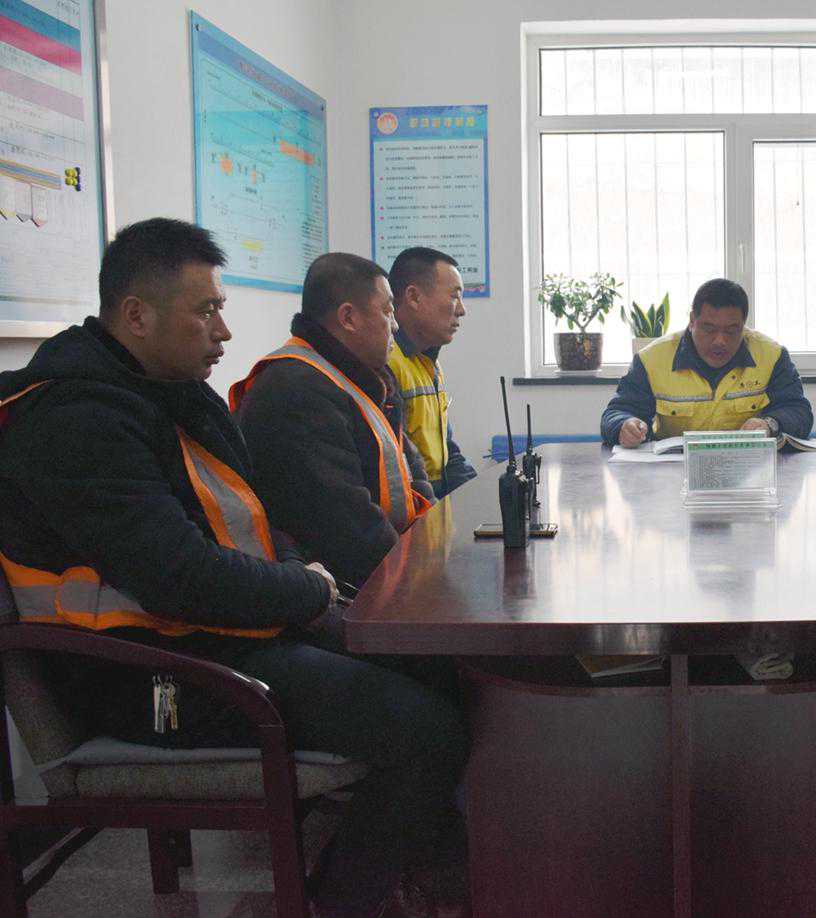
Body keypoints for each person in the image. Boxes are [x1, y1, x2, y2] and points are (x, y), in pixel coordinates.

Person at [0, 219, 467, 917]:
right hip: (147, 677)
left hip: (215, 638)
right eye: (206, 311)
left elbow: (245, 526)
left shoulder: (164, 393)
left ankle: (424, 870)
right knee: (424, 729)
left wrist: (301, 584)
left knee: (441, 669)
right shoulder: (75, 421)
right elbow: (177, 575)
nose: (224, 331)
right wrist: (304, 590)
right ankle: (339, 902)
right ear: (136, 316)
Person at [232, 253, 434, 591]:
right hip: (336, 588)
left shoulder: (364, 377)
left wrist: (433, 541)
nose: (395, 325)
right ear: (348, 318)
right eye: (387, 311)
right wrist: (414, 579)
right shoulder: (296, 389)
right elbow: (349, 528)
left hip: (384, 568)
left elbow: (412, 470)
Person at [600, 277, 813, 445]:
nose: (720, 341)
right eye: (709, 329)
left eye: (731, 331)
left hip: (751, 469)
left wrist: (770, 424)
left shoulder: (771, 356)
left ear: (744, 326)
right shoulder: (652, 359)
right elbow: (616, 412)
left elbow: (799, 412)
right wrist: (624, 425)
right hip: (672, 472)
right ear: (692, 321)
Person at [387, 246, 477, 498]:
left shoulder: (429, 361)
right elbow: (402, 471)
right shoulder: (388, 364)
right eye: (454, 296)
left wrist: (480, 496)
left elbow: (448, 453)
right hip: (418, 505)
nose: (461, 310)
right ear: (414, 297)